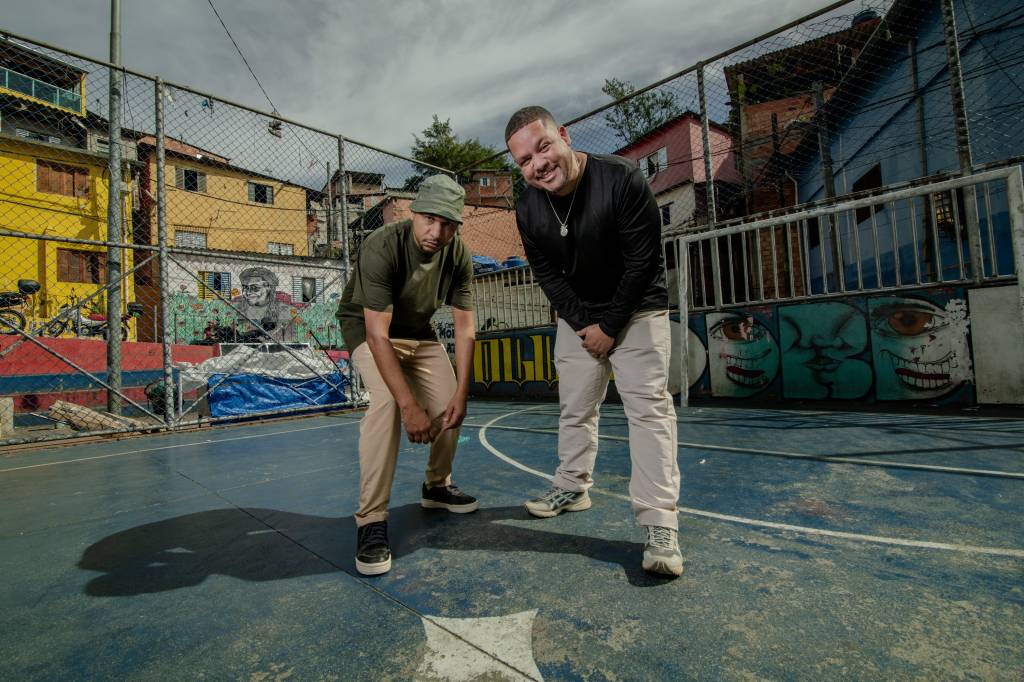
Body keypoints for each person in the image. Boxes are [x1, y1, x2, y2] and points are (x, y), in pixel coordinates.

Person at [504, 106, 683, 577]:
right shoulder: (527, 206)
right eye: (524, 160)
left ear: (563, 135)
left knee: (647, 409)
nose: (538, 164)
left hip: (638, 307)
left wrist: (609, 327)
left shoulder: (621, 178)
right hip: (580, 317)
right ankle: (573, 486)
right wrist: (585, 324)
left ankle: (660, 523)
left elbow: (643, 262)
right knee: (575, 407)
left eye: (543, 147)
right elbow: (545, 274)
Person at [337, 174, 478, 576]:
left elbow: (465, 328)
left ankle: (436, 486)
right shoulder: (381, 246)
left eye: (448, 224)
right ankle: (371, 520)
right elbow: (378, 334)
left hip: (418, 331)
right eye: (429, 219)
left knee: (449, 403)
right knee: (385, 404)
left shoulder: (458, 255)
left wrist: (462, 394)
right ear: (413, 213)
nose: (437, 232)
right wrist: (408, 406)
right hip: (371, 331)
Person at [236, 266, 295, 342]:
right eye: (245, 287)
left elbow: (289, 338)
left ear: (268, 288)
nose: (247, 292)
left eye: (254, 288)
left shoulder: (286, 310)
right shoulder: (237, 308)